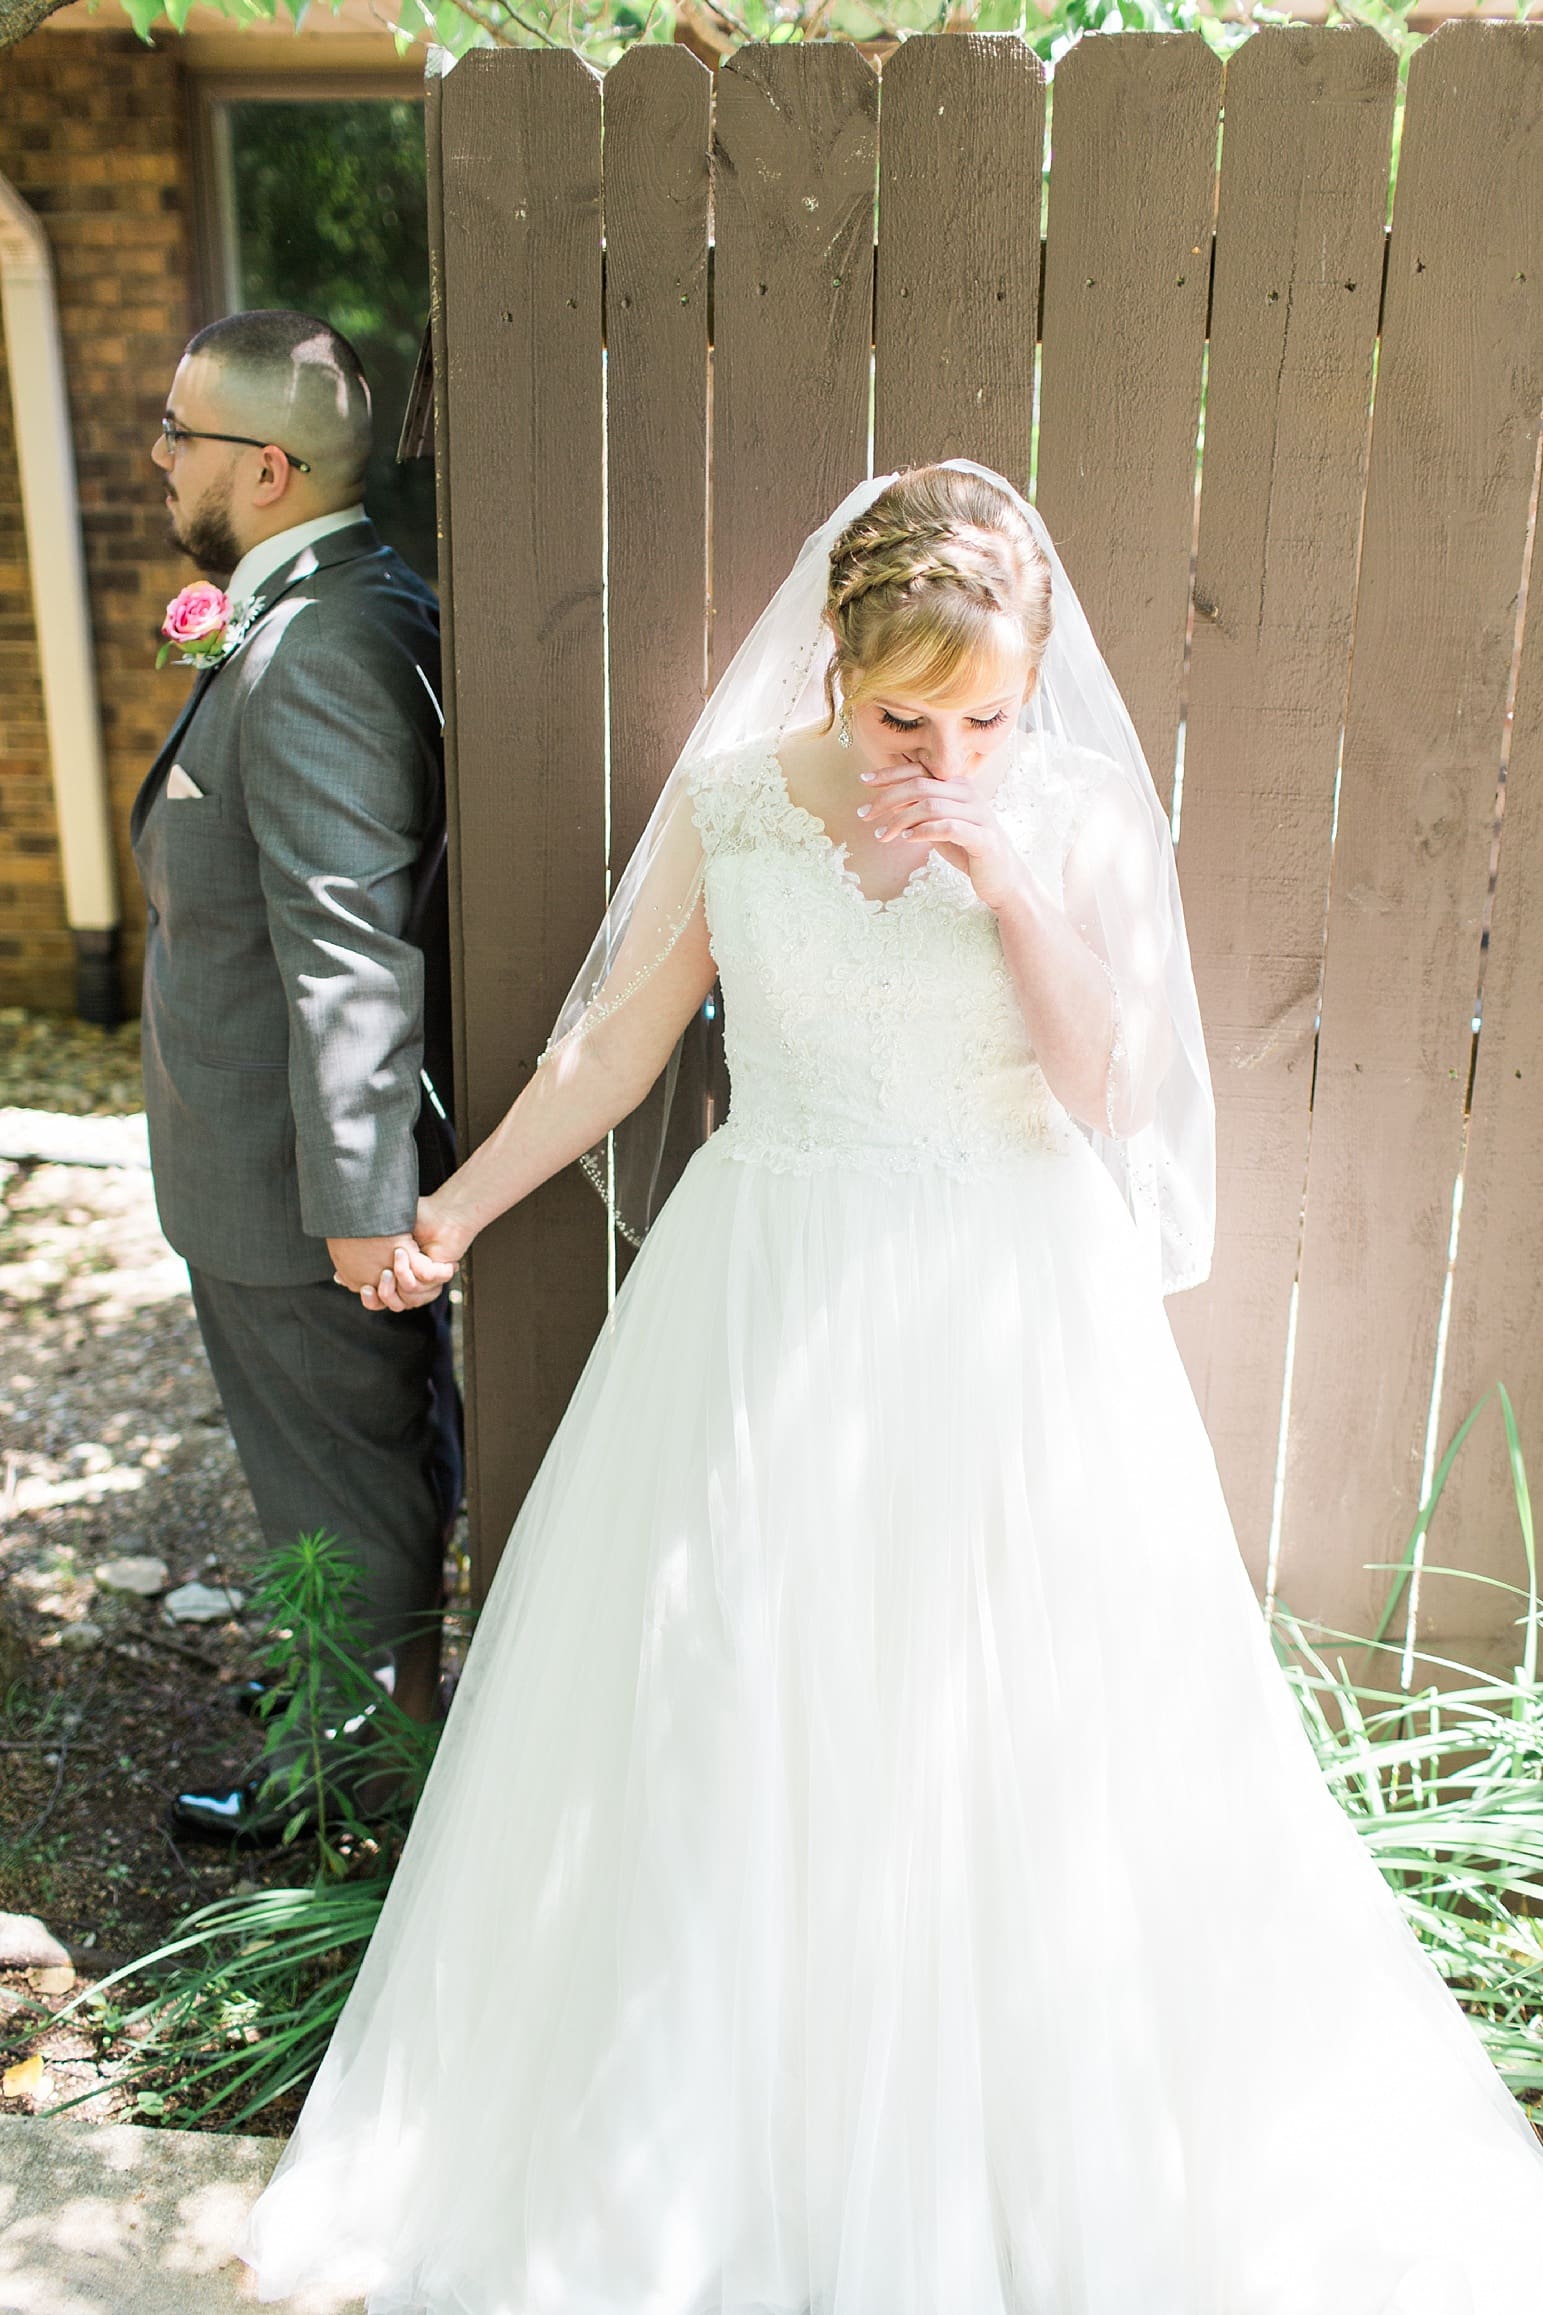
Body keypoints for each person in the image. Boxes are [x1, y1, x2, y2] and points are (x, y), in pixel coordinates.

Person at [242, 463, 1543, 2312]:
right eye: (901, 714)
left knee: (1011, 1720)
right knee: (735, 1701)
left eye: (985, 716)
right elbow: (614, 1049)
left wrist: (1005, 871)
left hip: (1008, 1314)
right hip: (766, 1289)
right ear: (835, 673)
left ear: (1032, 691)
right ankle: (720, 2147)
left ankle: (1007, 2158)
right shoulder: (738, 808)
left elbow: (1111, 1093)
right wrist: (443, 1211)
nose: (944, 746)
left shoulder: (1076, 817)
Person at [131, 309, 462, 1840]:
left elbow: (349, 941)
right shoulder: (314, 604)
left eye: (179, 433)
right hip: (254, 1150)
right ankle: (353, 1700)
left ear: (263, 468)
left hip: (291, 1176)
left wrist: (356, 1198)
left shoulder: (322, 644)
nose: (156, 453)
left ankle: (362, 1781)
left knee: (346, 1480)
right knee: (334, 1469)